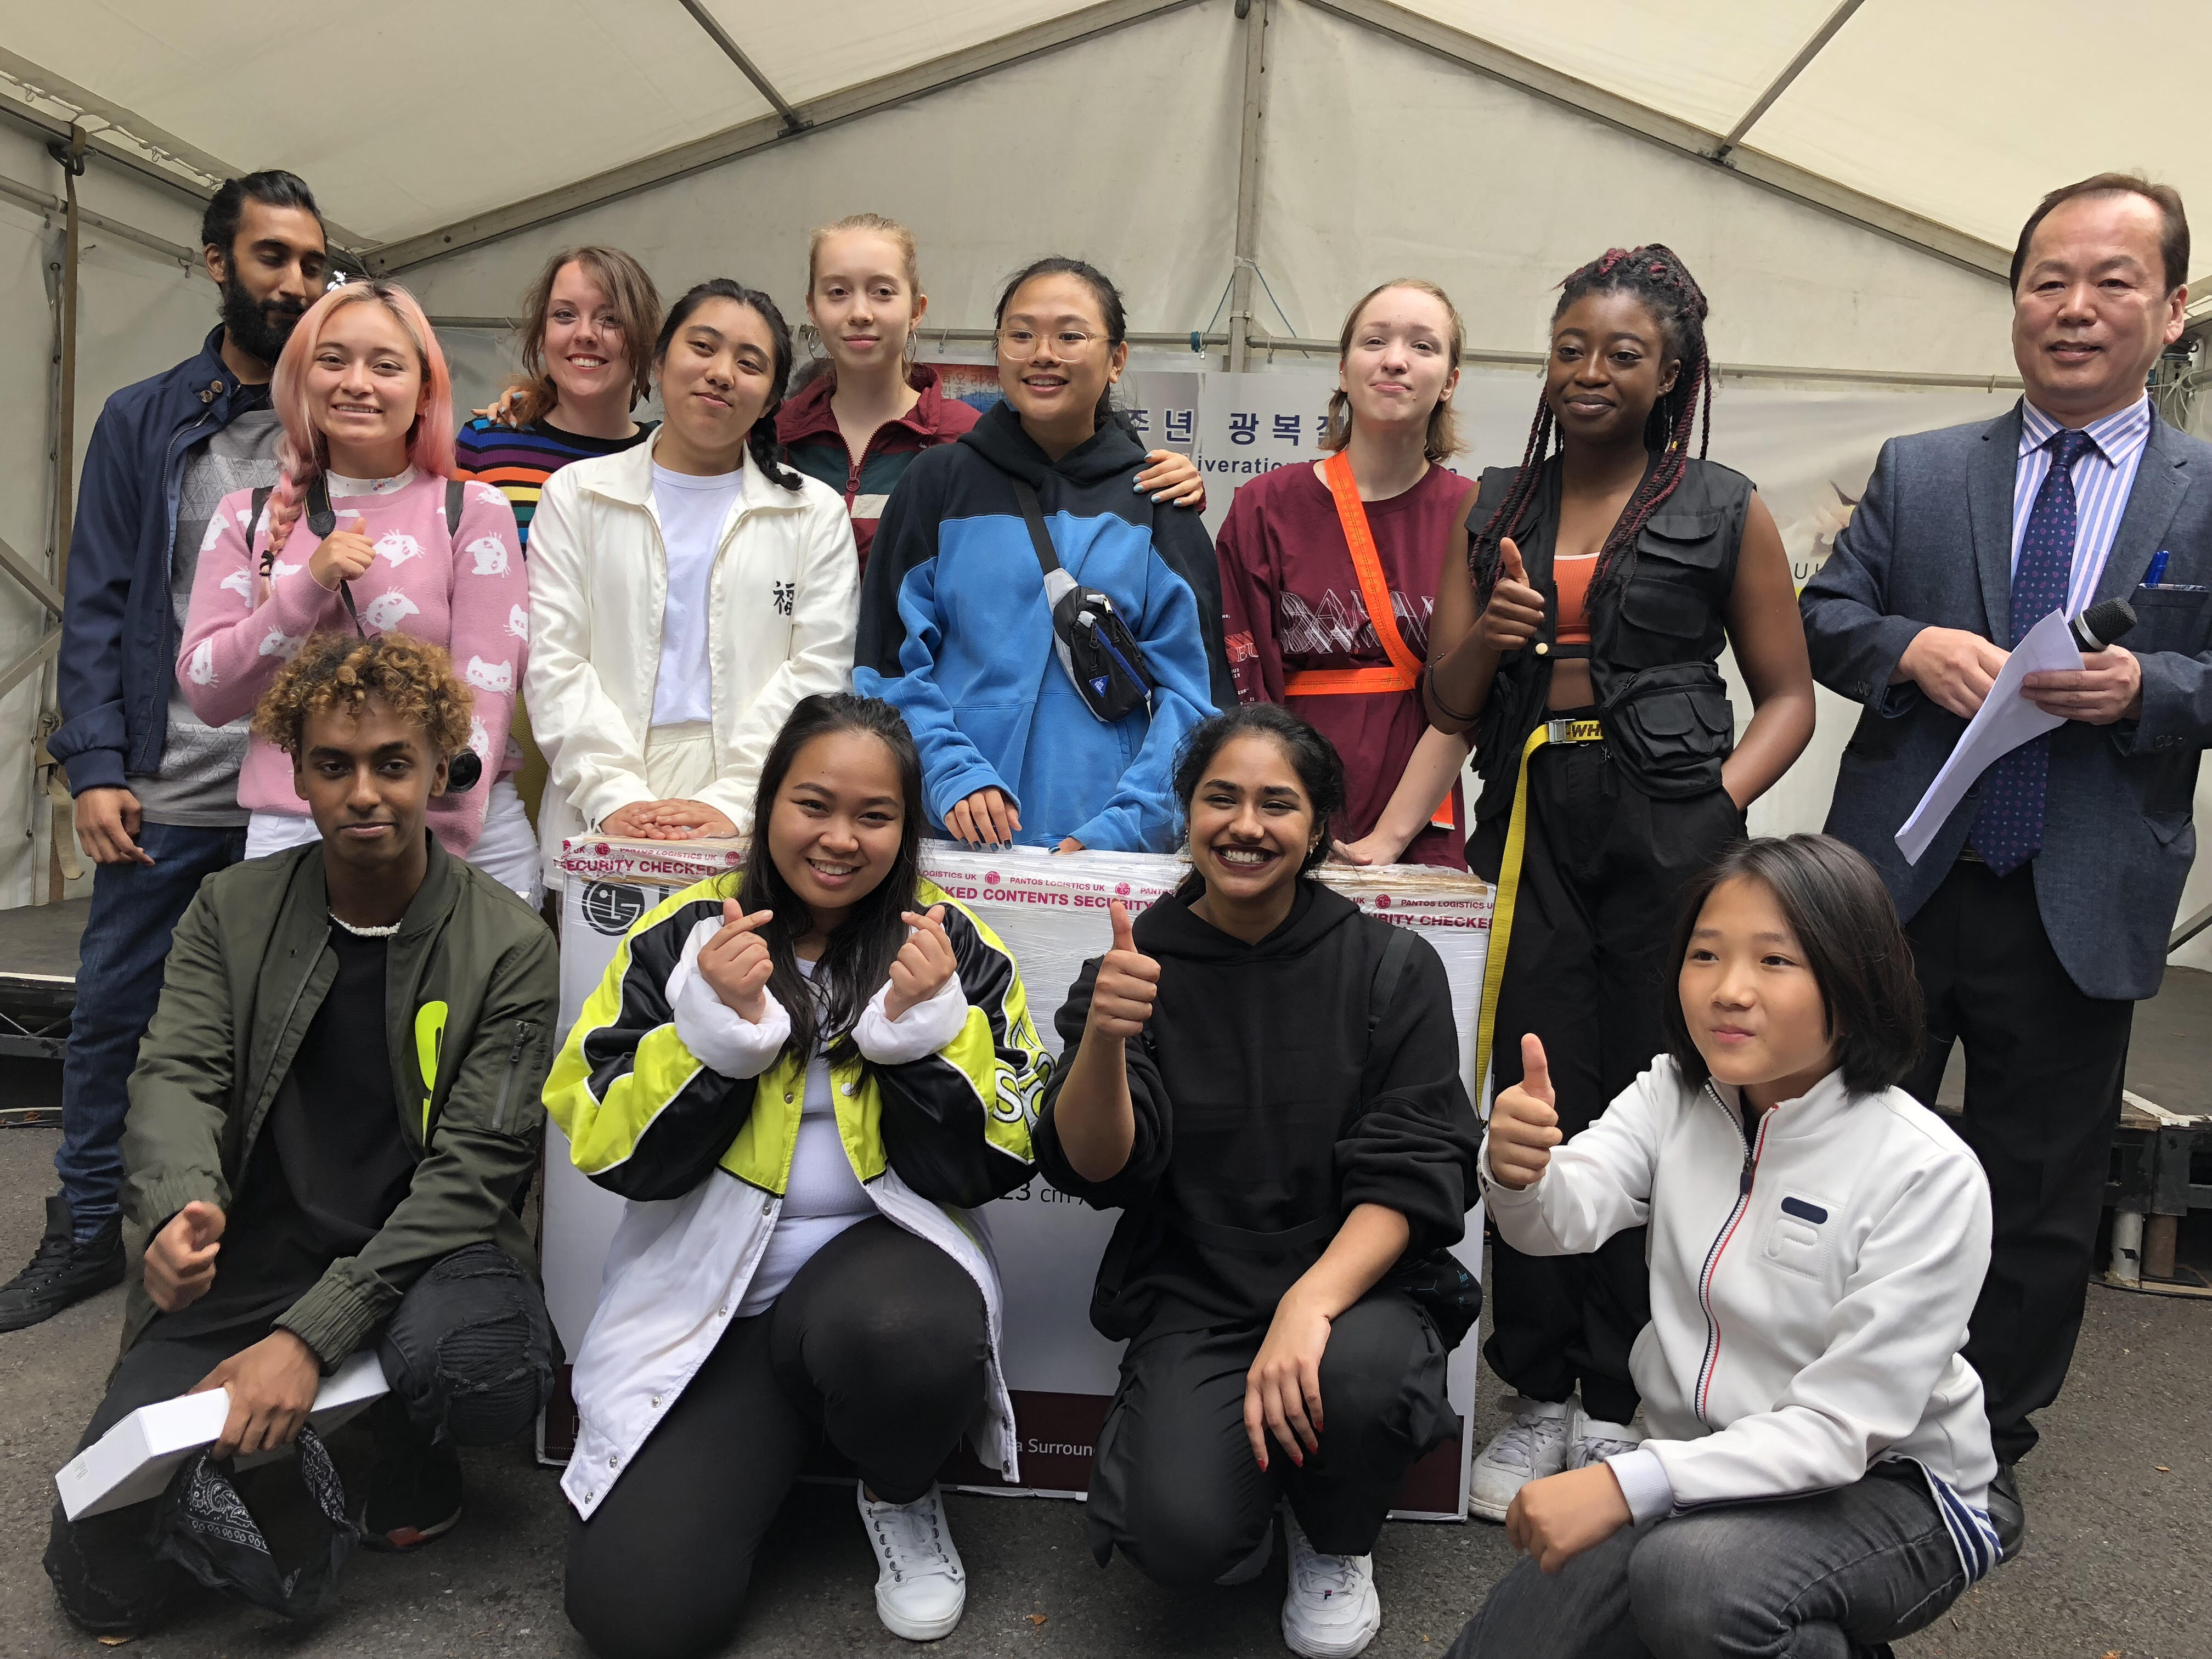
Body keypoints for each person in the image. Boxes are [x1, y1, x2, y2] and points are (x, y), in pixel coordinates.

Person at [1799, 173, 2212, 1555]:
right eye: (2050, 280)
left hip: (2080, 889)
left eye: (2112, 281)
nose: (2075, 307)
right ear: (2017, 297)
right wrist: (1908, 648)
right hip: (1901, 880)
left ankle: (1982, 1444)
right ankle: (1814, 1411)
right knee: (1844, 1153)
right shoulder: (1924, 469)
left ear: (2170, 310)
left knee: (2038, 1195)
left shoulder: (2205, 488)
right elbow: (1824, 615)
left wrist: (2150, 688)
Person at [44, 633, 558, 1636]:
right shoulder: (229, 907)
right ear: (298, 774)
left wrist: (305, 1338)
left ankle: (404, 1443)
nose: (364, 793)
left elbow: (474, 1173)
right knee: (106, 1581)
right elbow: (175, 1075)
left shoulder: (508, 942)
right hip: (251, 1253)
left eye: (392, 764)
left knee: (484, 1366)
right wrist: (177, 1210)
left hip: (421, 1257)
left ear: (440, 770)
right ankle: (281, 1436)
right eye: (334, 764)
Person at [1422, 244, 1815, 1514]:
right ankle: (1535, 1391)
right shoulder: (1495, 506)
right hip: (1535, 822)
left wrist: (1717, 806)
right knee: (1540, 1096)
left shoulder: (1726, 506)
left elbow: (1791, 698)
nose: (1590, 372)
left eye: (1623, 354)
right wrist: (1491, 634)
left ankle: (1617, 1391)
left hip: (1672, 835)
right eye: (1571, 349)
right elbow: (1447, 698)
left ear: (1671, 375)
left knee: (1664, 1100)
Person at [551, 692, 1048, 1659]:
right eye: (813, 804)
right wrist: (710, 1036)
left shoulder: (950, 943)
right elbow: (608, 1148)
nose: (840, 839)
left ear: (907, 829)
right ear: (769, 801)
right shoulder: (683, 934)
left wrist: (927, 1037)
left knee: (906, 1335)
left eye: (875, 815)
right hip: (713, 1303)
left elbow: (992, 1160)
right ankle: (769, 1451)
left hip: (884, 1286)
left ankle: (898, 1488)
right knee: (635, 1614)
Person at [1449, 834, 2000, 1659]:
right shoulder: (1672, 1094)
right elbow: (1556, 1222)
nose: (1729, 990)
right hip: (1704, 1464)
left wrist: (1628, 1481)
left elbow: (1842, 1426)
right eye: (1705, 954)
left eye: (1775, 961)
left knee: (1692, 1582)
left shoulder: (1926, 1171)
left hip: (1897, 1488)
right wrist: (1516, 1170)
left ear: (1855, 978)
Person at [1036, 704, 1481, 1659]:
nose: (1246, 825)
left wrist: (1310, 1304)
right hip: (1199, 1291)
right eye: (1221, 798)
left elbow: (1416, 1168)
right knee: (1177, 1535)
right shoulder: (1133, 966)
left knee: (1359, 1379)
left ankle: (1334, 1531)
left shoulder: (1388, 965)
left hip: (1355, 1287)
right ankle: (1241, 1487)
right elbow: (1094, 1165)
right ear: (1187, 813)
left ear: (1317, 827)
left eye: (1277, 803)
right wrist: (1105, 1040)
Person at [4, 172, 329, 1336]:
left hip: (306, 798)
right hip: (171, 785)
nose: (295, 283)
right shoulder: (144, 420)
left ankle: (260, 1241)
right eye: (272, 257)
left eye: (313, 263)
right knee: (116, 1017)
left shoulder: (343, 415)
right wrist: (95, 766)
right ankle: (90, 1223)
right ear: (216, 263)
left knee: (295, 1033)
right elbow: (97, 601)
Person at [174, 278, 537, 901]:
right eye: (333, 360)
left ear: (425, 392)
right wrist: (306, 589)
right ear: (301, 379)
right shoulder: (245, 517)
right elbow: (207, 692)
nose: (357, 383)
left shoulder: (473, 510)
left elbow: (488, 693)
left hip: (463, 830)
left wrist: (434, 847)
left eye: (386, 366)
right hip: (297, 829)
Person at [855, 256, 1233, 854]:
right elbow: (887, 667)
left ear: (1117, 359)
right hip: (950, 838)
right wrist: (951, 775)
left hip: (1105, 850)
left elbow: (1195, 698)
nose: (1042, 354)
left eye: (1071, 336)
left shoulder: (1157, 498)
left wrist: (1131, 824)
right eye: (1022, 334)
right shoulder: (937, 484)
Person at [525, 278, 857, 891]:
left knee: (738, 949)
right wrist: (615, 794)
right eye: (702, 347)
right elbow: (555, 659)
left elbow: (819, 670)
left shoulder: (814, 512)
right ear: (658, 361)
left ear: (770, 399)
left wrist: (734, 800)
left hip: (754, 797)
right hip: (597, 788)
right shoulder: (578, 495)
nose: (721, 373)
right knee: (606, 955)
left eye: (749, 363)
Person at [778, 213, 1205, 574]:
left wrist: (1167, 490)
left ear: (917, 310)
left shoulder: (969, 441)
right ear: (811, 307)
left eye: (883, 292)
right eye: (838, 292)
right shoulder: (770, 439)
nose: (860, 313)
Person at [1218, 279, 1477, 869]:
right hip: (1284, 801)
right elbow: (1240, 674)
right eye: (1375, 341)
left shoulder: (1477, 514)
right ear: (1342, 368)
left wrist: (1392, 835)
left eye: (1423, 346)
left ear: (1450, 381)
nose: (1395, 360)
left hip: (1421, 810)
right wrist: (1278, 811)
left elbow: (1472, 696)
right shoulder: (1265, 505)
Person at [453, 244, 663, 552]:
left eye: (611, 319)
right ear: (542, 335)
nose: (585, 333)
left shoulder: (666, 458)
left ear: (646, 340)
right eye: (565, 315)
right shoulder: (484, 444)